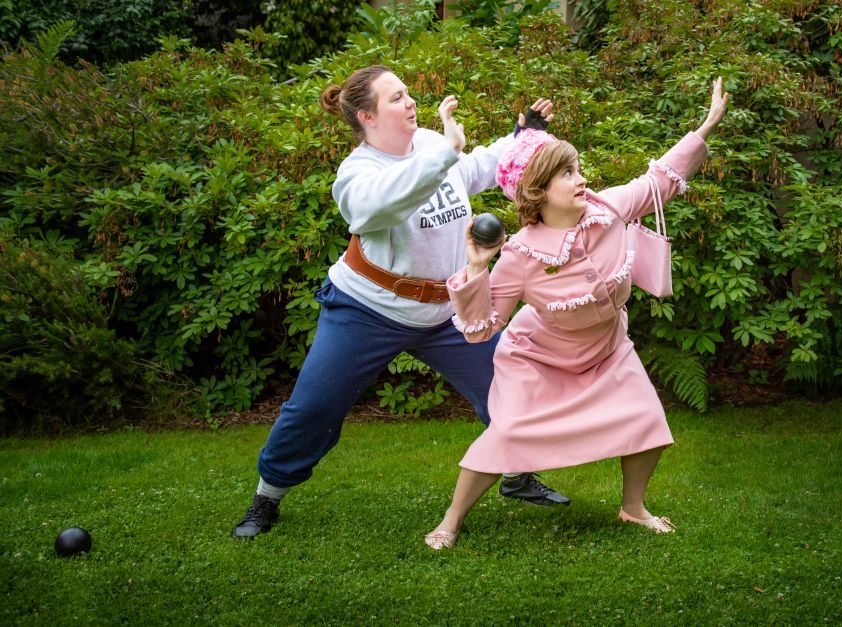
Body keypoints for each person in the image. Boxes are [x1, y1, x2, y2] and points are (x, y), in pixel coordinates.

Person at [231, 65, 569, 539]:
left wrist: (522, 137)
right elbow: (380, 206)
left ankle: (516, 474)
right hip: (368, 309)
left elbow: (476, 168)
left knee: (508, 387)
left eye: (407, 93)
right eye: (395, 98)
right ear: (367, 116)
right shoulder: (358, 174)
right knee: (315, 407)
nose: (410, 102)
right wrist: (445, 153)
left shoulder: (430, 144)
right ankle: (267, 496)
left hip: (447, 311)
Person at [424, 78, 730, 550]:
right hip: (538, 359)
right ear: (538, 190)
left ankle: (633, 508)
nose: (581, 179)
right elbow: (483, 328)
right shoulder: (521, 254)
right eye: (567, 173)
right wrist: (477, 268)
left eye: (578, 168)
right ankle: (451, 520)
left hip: (607, 348)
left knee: (648, 421)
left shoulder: (608, 210)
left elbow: (659, 180)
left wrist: (705, 127)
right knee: (508, 434)